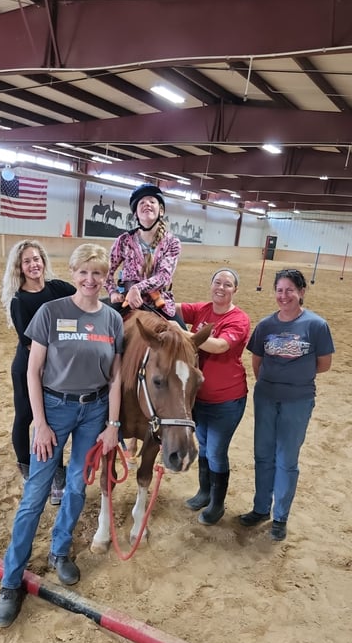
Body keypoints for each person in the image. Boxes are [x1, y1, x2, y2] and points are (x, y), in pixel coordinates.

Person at [0, 243, 123, 628]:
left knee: (78, 489)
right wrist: (41, 423)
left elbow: (115, 377)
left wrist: (113, 425)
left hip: (95, 411)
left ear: (104, 277)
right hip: (54, 409)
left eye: (97, 273)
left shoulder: (112, 320)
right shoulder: (51, 312)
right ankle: (10, 580)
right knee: (35, 494)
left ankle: (60, 551)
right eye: (83, 272)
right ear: (73, 272)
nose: (89, 280)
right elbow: (33, 371)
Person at [239, 268, 335, 541]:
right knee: (263, 455)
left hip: (298, 400)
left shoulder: (316, 326)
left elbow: (324, 364)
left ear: (301, 292)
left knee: (286, 459)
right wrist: (272, 384)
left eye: (289, 290)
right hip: (266, 397)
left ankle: (280, 516)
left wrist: (294, 379)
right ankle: (260, 508)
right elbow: (257, 362)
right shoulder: (266, 325)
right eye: (279, 290)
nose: (284, 296)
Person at [1, 239, 76, 504]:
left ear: (43, 261)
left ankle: (57, 475)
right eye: (27, 261)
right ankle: (27, 469)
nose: (33, 264)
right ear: (20, 268)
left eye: (36, 259)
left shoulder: (58, 288)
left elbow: (84, 301)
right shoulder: (19, 300)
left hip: (55, 368)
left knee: (52, 421)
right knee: (26, 417)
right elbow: (30, 343)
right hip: (29, 367)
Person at [176, 268, 251, 525]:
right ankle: (204, 492)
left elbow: (218, 346)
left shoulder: (239, 319)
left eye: (228, 284)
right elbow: (173, 309)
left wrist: (182, 332)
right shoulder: (202, 309)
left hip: (227, 400)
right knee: (205, 446)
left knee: (217, 451)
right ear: (211, 284)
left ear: (235, 290)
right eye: (217, 282)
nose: (221, 287)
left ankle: (217, 504)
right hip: (200, 399)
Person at [105, 183, 185, 327]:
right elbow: (107, 271)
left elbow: (164, 276)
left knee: (184, 341)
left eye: (152, 201)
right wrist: (112, 292)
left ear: (161, 211)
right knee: (102, 332)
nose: (147, 204)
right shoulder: (123, 240)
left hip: (159, 303)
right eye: (141, 202)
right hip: (126, 301)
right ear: (135, 214)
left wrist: (138, 288)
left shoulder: (172, 242)